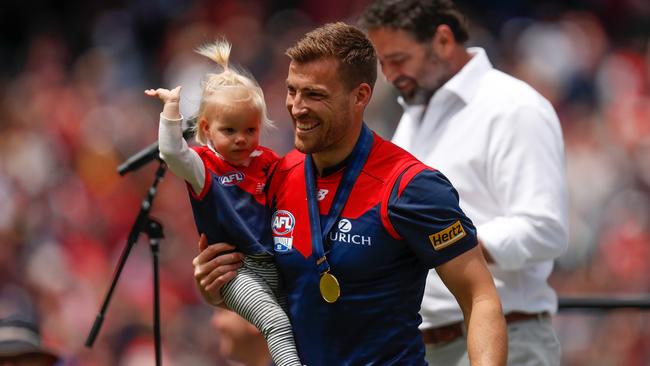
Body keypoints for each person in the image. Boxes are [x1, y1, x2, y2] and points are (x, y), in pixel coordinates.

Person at [192, 22, 507, 365]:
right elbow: (280, 286)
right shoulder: (279, 177)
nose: (297, 107)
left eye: (314, 95)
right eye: (292, 90)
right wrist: (219, 288)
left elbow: (480, 297)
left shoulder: (410, 187)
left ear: (360, 96)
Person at [359, 1, 569, 365]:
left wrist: (446, 246)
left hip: (506, 340)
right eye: (384, 63)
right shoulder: (416, 113)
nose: (390, 75)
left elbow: (545, 228)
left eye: (399, 59)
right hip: (426, 343)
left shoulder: (514, 107)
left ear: (442, 40)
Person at [144, 39, 301, 366]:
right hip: (236, 272)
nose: (241, 138)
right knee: (276, 323)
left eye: (250, 129)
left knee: (301, 319)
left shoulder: (268, 161)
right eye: (229, 130)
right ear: (206, 129)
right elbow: (172, 153)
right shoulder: (204, 167)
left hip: (273, 262)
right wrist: (171, 110)